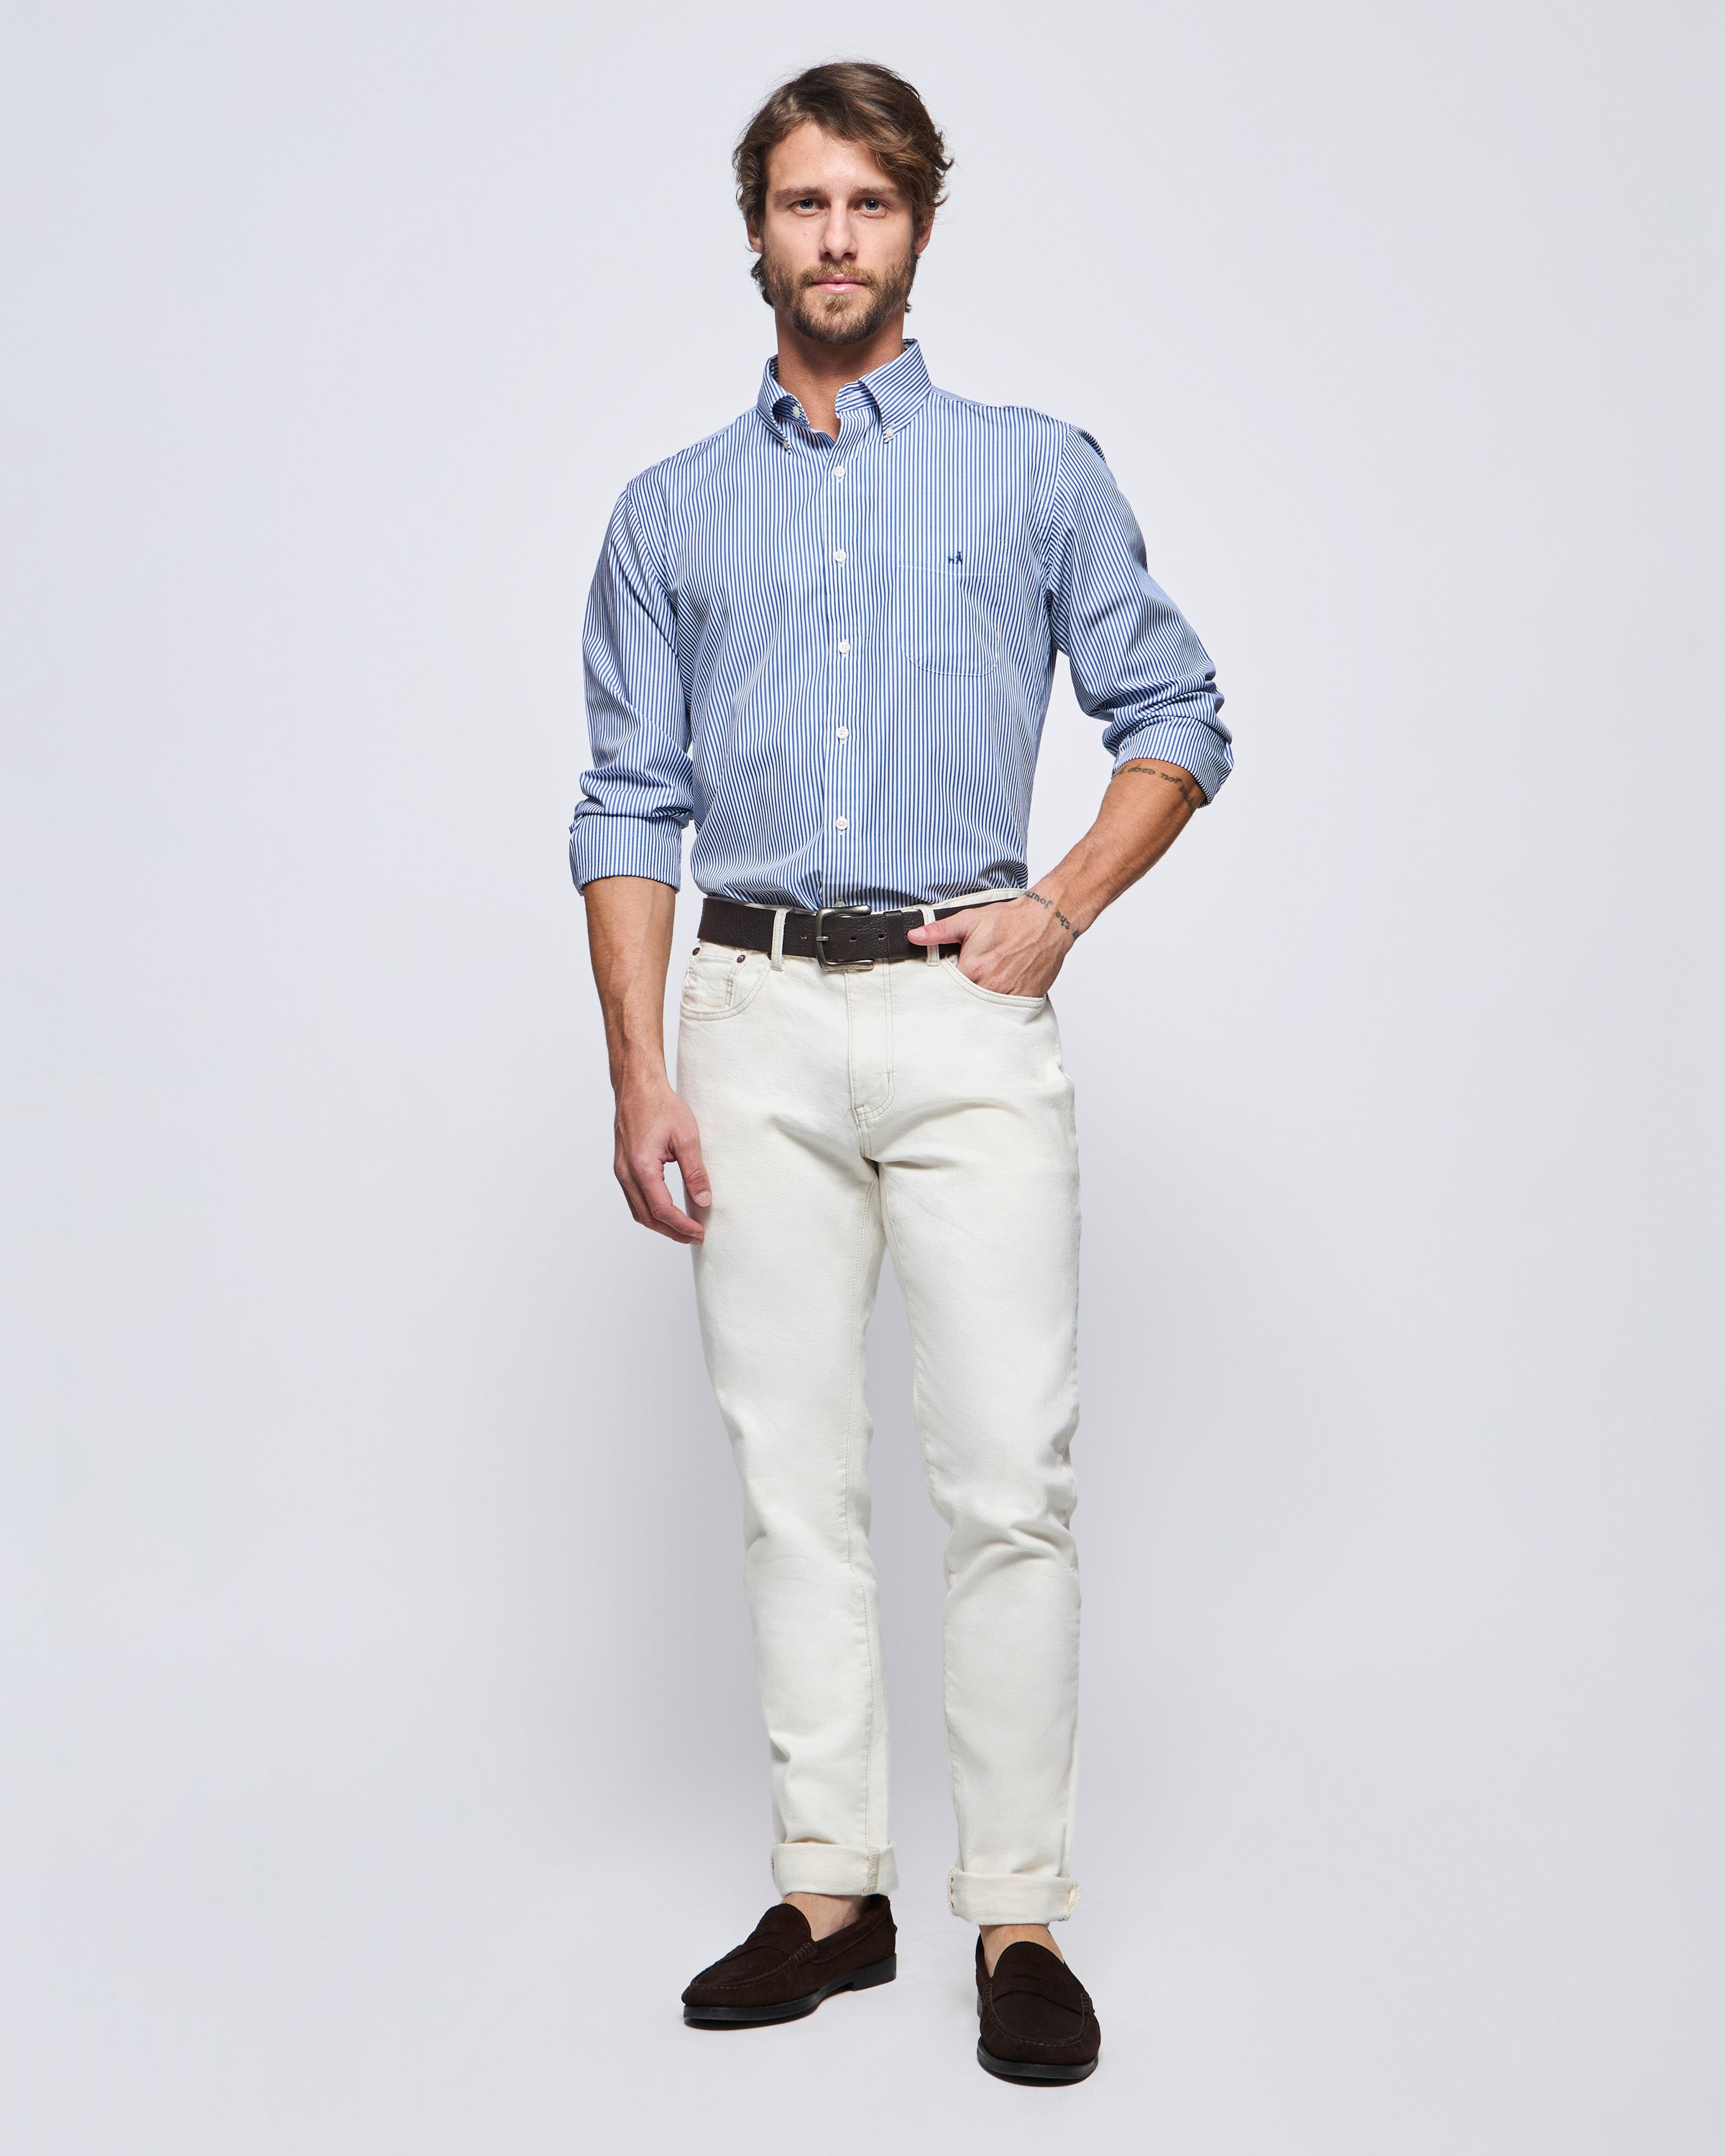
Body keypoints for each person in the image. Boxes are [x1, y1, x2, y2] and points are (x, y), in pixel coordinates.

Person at [571, 60, 1230, 2086]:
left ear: (920, 227)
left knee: (1008, 1478)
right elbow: (628, 800)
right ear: (756, 232)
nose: (836, 238)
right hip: (750, 1017)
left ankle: (1017, 1918)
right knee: (794, 1482)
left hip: (962, 1015)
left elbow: (1178, 713)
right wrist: (639, 1071)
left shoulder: (1033, 473)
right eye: (804, 203)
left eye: (869, 202)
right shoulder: (671, 510)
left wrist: (1061, 909)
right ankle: (829, 1897)